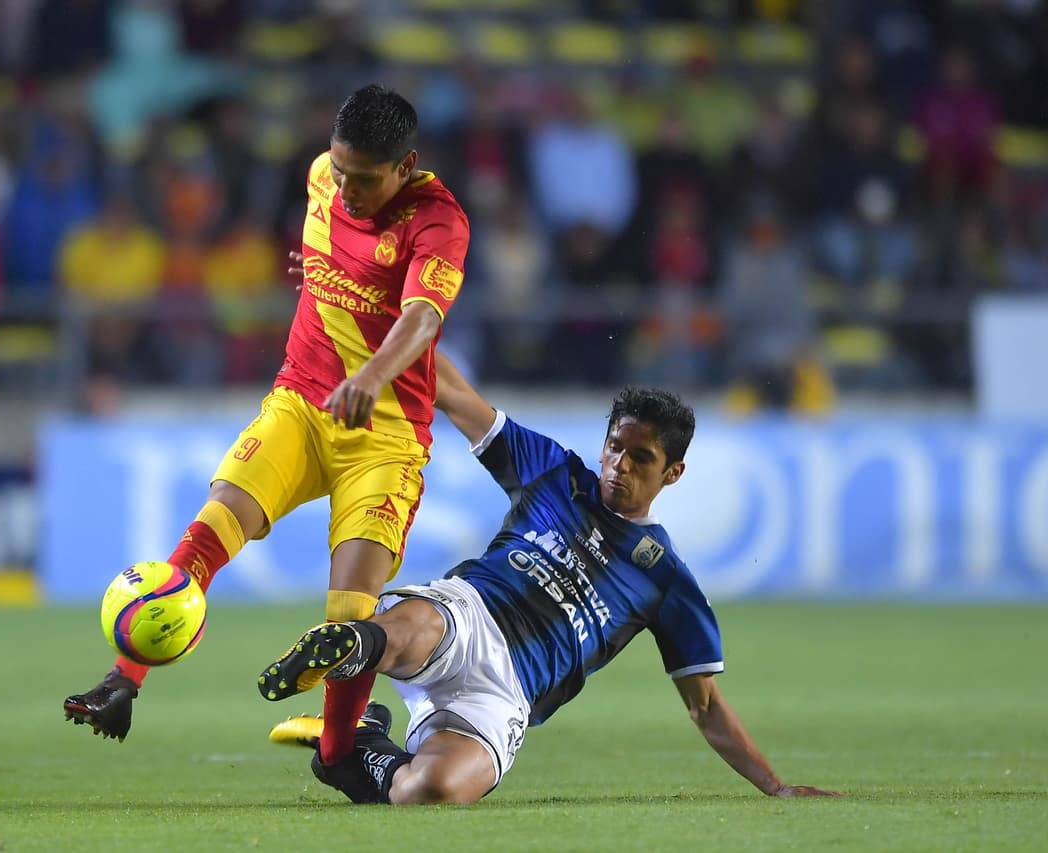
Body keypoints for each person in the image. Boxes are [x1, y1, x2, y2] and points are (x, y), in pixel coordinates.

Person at [64, 85, 471, 771]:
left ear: (406, 165)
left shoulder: (439, 222)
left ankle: (343, 747)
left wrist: (370, 377)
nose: (346, 191)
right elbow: (337, 256)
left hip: (385, 432)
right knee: (213, 526)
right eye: (340, 173)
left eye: (365, 180)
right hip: (298, 404)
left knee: (347, 613)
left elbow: (422, 318)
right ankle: (121, 679)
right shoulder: (321, 177)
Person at [259, 354, 841, 804]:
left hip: (506, 695)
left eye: (642, 458)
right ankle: (356, 646)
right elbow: (454, 394)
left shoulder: (665, 579)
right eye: (616, 446)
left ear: (674, 472)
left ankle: (358, 739)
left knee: (427, 791)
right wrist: (388, 315)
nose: (620, 466)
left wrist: (775, 785)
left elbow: (705, 705)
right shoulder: (555, 473)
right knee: (405, 629)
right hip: (468, 614)